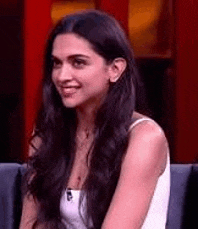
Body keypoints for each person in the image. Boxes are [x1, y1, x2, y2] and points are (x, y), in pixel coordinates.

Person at [19, 9, 170, 229]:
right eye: (57, 63)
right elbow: (30, 225)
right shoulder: (48, 134)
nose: (62, 76)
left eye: (78, 62)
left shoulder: (145, 137)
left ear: (115, 69)